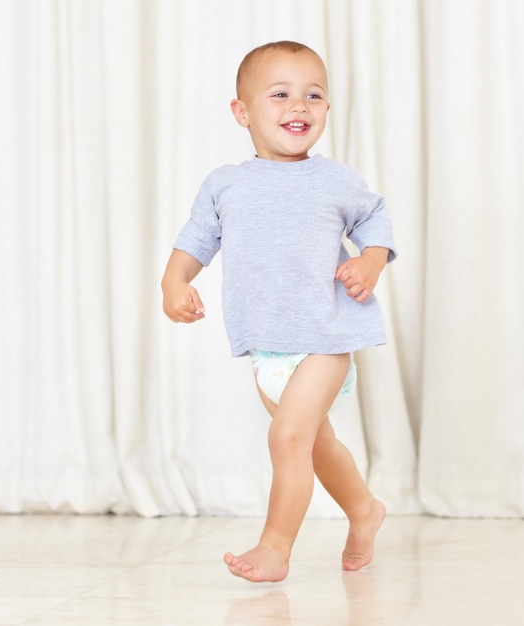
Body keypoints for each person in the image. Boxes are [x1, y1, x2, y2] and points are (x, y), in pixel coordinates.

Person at [161, 40, 396, 583]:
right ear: (242, 112)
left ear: (327, 110)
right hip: (266, 345)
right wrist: (173, 281)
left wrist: (371, 262)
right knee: (316, 445)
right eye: (282, 95)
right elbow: (197, 239)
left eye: (314, 96)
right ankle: (365, 509)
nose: (300, 107)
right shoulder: (225, 183)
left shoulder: (334, 178)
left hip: (326, 335)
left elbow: (375, 219)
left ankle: (274, 547)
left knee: (287, 437)